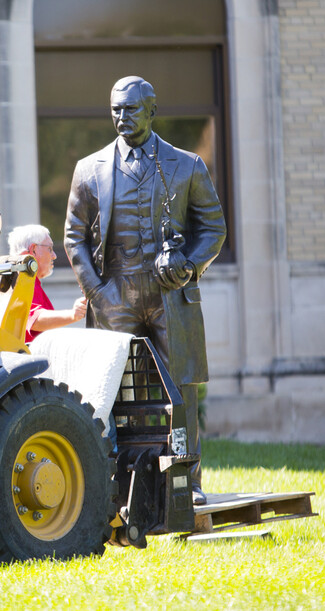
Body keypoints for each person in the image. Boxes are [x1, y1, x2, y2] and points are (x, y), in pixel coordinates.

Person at [64, 76, 226, 505]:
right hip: (114, 291)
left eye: (131, 109)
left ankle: (187, 483)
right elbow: (73, 236)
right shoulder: (89, 168)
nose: (121, 117)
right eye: (115, 109)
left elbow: (213, 228)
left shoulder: (186, 164)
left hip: (168, 296)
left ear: (151, 111)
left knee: (181, 390)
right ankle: (109, 484)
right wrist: (98, 293)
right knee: (107, 390)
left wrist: (189, 267)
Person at [0, 224, 87, 343]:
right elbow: (33, 319)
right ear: (33, 249)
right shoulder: (22, 280)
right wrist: (73, 315)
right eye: (50, 249)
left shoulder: (0, 282)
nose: (54, 256)